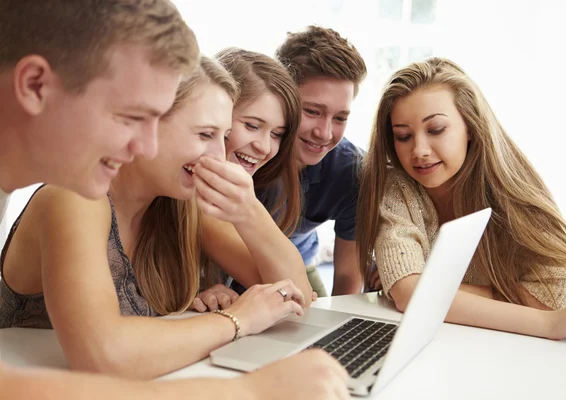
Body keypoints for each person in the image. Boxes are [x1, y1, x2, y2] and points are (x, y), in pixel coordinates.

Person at [0, 1, 348, 398]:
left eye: (223, 135)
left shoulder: (182, 204)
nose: (221, 155)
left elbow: (295, 290)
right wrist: (236, 322)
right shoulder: (74, 195)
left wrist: (249, 211)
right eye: (204, 135)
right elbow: (103, 354)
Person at [356, 57, 566, 341]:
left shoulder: (512, 186)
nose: (419, 150)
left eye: (436, 130)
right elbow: (410, 295)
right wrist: (544, 322)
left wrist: (432, 288)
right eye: (403, 136)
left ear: (470, 126)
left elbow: (561, 296)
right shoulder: (398, 189)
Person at [193, 48, 313, 306]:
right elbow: (296, 294)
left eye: (277, 134)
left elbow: (295, 293)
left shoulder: (228, 195)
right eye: (252, 126)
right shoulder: (194, 198)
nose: (265, 147)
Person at [263, 25, 368, 297]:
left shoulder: (351, 171)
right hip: (225, 268)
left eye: (340, 118)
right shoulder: (244, 149)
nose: (325, 133)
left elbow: (347, 277)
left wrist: (340, 331)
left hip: (299, 263)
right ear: (281, 97)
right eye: (312, 111)